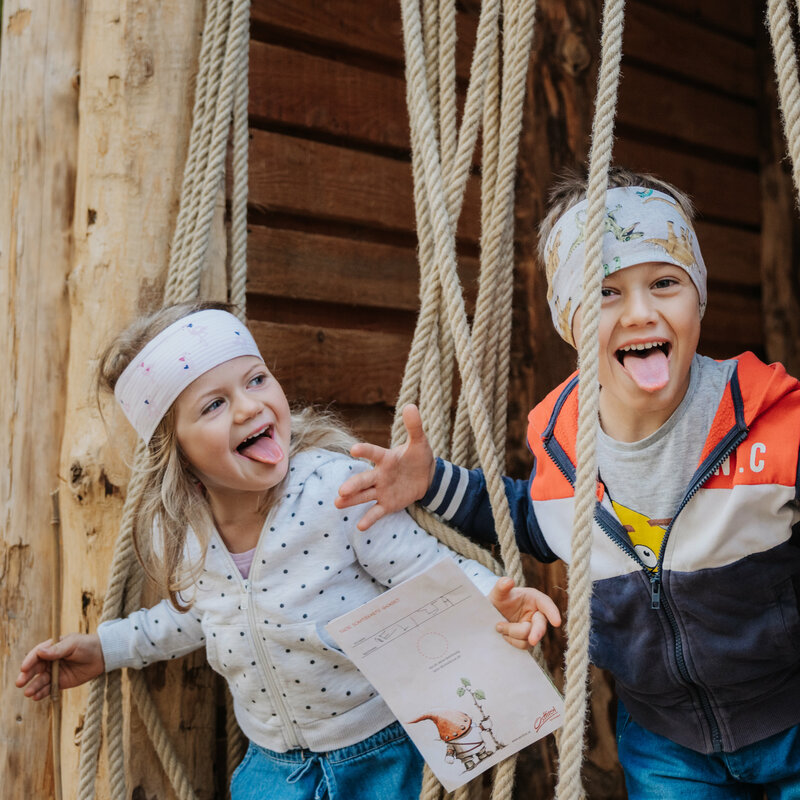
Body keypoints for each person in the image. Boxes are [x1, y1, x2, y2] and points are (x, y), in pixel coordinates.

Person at [335, 167, 800, 799]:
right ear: (567, 321)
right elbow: (532, 518)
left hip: (788, 713)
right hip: (665, 738)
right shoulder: (562, 441)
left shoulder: (772, 421)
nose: (641, 312)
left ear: (699, 297)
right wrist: (431, 481)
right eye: (606, 292)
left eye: (665, 282)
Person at [16, 302, 561, 800]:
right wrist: (107, 648)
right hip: (272, 767)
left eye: (256, 379)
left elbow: (425, 567)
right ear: (173, 449)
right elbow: (200, 618)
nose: (250, 406)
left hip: (379, 752)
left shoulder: (335, 491)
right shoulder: (180, 532)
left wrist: (494, 595)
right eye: (214, 404)